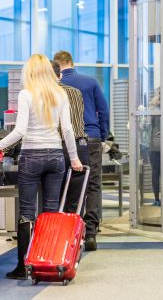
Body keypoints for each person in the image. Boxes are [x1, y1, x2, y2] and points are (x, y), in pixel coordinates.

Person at [0, 54, 82, 280]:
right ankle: (48, 262)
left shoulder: (26, 94)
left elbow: (19, 131)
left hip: (31, 157)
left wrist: (0, 146)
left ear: (30, 72)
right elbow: (67, 130)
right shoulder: (60, 94)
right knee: (51, 212)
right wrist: (73, 158)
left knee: (27, 213)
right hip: (56, 156)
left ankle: (21, 266)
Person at [53, 51, 109, 251]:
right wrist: (102, 135)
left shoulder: (54, 87)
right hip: (90, 137)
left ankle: (67, 232)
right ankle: (91, 232)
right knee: (92, 185)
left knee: (64, 186)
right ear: (72, 62)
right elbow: (103, 110)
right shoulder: (90, 81)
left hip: (60, 141)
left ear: (57, 65)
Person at [50, 60, 89, 213]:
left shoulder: (42, 95)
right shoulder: (75, 92)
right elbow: (78, 121)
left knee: (53, 198)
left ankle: (53, 234)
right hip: (78, 146)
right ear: (60, 75)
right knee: (76, 198)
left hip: (55, 147)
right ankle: (74, 234)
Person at [149, 88, 161, 206]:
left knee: (155, 174)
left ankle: (157, 199)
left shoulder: (153, 109)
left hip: (154, 146)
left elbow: (146, 125)